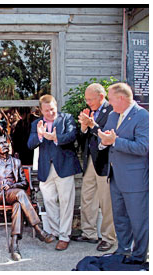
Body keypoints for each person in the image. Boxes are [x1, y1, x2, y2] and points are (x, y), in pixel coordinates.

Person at [0, 135, 54, 261]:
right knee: (20, 194)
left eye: (6, 142)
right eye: (1, 143)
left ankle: (14, 244)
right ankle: (38, 229)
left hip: (12, 193)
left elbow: (24, 183)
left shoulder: (16, 162)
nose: (5, 145)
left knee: (18, 205)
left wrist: (11, 185)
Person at [98, 83, 149, 264]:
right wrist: (103, 141)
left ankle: (140, 256)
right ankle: (123, 250)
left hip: (135, 179)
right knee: (120, 218)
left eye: (110, 99)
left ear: (121, 98)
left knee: (138, 220)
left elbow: (144, 147)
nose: (109, 104)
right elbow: (105, 137)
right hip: (116, 177)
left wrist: (115, 141)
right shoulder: (113, 115)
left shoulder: (142, 116)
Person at [27, 94, 82, 251]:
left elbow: (72, 136)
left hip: (64, 167)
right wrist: (39, 135)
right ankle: (57, 232)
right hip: (46, 168)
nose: (50, 113)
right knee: (50, 201)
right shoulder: (37, 123)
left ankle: (64, 236)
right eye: (46, 111)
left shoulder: (67, 118)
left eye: (52, 109)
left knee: (66, 202)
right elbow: (30, 144)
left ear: (56, 106)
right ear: (41, 110)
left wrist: (56, 137)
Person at [71, 83, 116, 251]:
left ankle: (108, 237)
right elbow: (83, 140)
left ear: (101, 97)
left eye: (90, 99)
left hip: (105, 162)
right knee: (87, 197)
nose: (87, 102)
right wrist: (83, 128)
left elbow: (106, 136)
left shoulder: (111, 111)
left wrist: (91, 125)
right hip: (90, 160)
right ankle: (88, 233)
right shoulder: (88, 111)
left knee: (106, 202)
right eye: (86, 99)